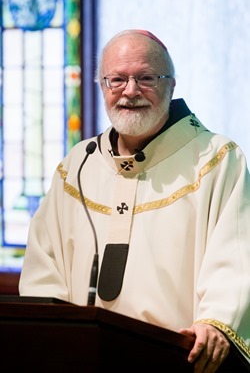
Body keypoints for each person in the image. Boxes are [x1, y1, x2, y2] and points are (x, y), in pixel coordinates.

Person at [19, 29, 250, 372]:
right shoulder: (79, 164)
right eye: (116, 79)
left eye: (146, 78)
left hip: (176, 359)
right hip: (83, 360)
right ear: (101, 86)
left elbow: (235, 251)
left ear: (171, 86)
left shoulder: (215, 159)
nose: (130, 91)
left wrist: (216, 320)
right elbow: (44, 261)